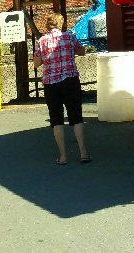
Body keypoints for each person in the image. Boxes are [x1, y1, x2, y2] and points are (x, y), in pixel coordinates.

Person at [32, 13, 90, 166]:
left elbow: (36, 63)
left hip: (51, 83)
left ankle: (63, 156)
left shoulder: (42, 41)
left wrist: (47, 57)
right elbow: (81, 51)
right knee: (76, 116)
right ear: (61, 24)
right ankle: (83, 152)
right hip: (70, 80)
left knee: (56, 118)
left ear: (47, 25)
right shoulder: (70, 37)